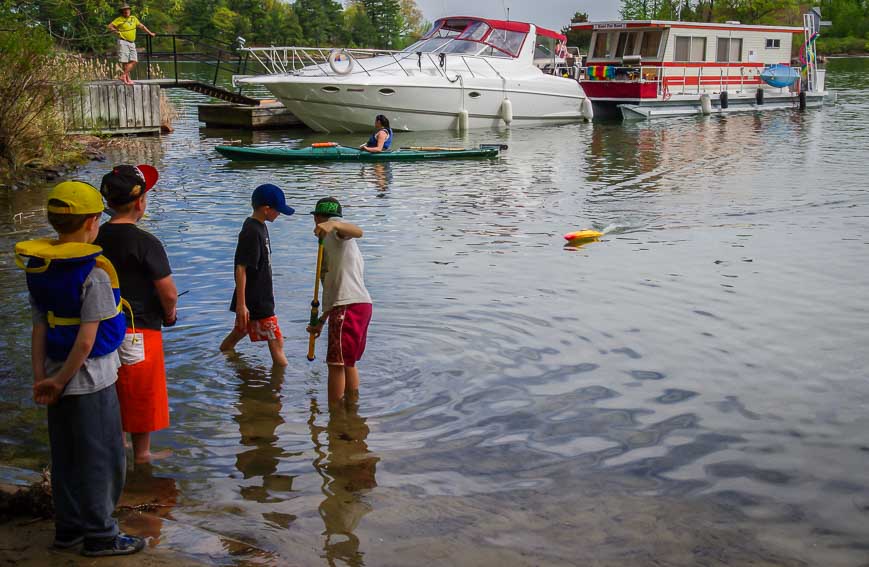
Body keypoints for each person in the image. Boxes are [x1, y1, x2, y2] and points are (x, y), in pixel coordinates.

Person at [15, 181, 145, 557]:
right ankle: (102, 535)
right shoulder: (95, 274)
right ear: (92, 223)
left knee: (68, 457)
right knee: (104, 459)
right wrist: (60, 380)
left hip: (55, 380)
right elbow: (87, 342)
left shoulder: (41, 268)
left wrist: (43, 377)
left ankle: (69, 529)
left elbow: (40, 327)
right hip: (89, 383)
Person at [96, 164, 177, 465]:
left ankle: (120, 446)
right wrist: (169, 314)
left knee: (113, 387)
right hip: (138, 328)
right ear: (141, 202)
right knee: (141, 391)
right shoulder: (146, 243)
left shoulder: (94, 238)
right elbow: (167, 292)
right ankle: (142, 454)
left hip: (101, 328)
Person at [305, 197, 373, 406]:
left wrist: (333, 224)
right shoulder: (329, 242)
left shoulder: (338, 233)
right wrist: (321, 321)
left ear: (317, 218)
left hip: (349, 306)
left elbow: (358, 231)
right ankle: (351, 410)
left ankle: (335, 416)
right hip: (355, 305)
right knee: (347, 363)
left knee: (336, 365)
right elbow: (335, 290)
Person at [220, 184, 294, 366]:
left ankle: (229, 360)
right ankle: (279, 389)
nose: (279, 214)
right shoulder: (251, 231)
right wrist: (241, 304)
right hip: (255, 300)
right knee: (277, 343)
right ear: (266, 208)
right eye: (278, 210)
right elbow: (240, 268)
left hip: (260, 296)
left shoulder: (260, 226)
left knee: (239, 333)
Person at [107, 4, 155, 85]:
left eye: (127, 10)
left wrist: (150, 33)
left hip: (132, 42)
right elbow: (110, 26)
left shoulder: (133, 18)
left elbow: (142, 26)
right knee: (125, 62)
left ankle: (123, 76)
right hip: (123, 41)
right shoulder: (119, 19)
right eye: (124, 10)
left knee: (134, 60)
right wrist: (115, 31)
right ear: (122, 12)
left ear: (130, 10)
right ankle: (127, 80)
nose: (126, 11)